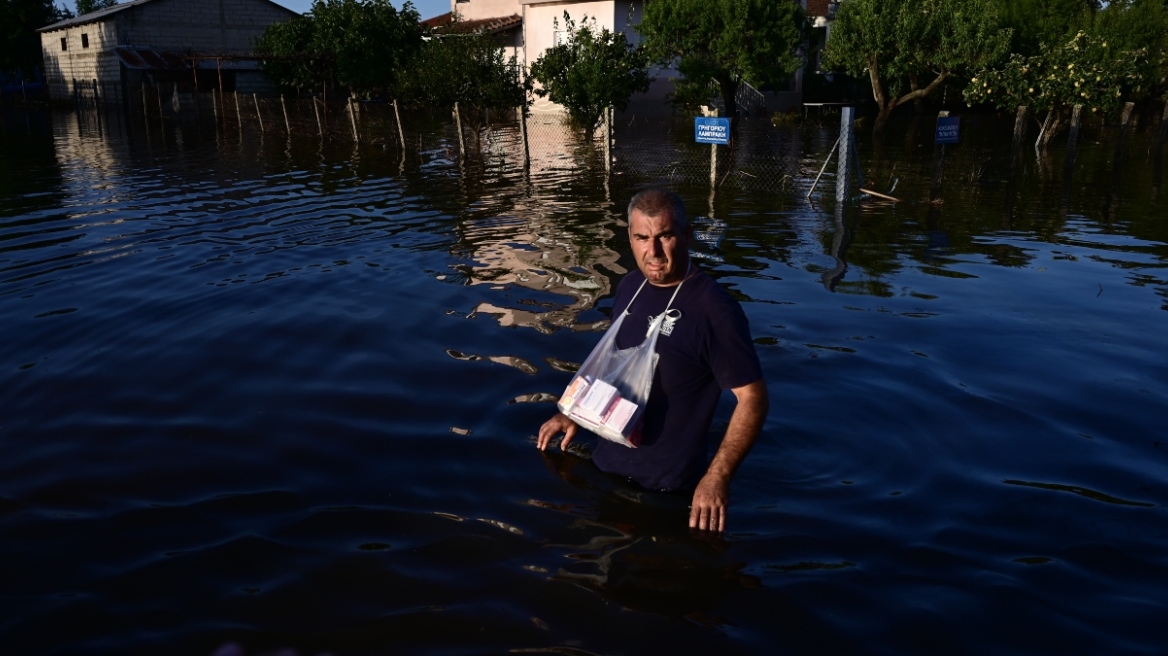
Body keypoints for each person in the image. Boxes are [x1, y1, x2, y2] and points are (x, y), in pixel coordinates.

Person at [538, 189, 768, 533]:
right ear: (630, 238)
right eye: (642, 238)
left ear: (687, 235)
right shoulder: (631, 286)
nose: (653, 252)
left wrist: (716, 477)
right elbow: (615, 365)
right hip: (604, 469)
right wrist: (573, 413)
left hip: (665, 493)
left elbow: (753, 399)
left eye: (665, 236)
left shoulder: (715, 311)